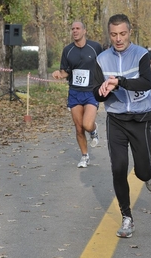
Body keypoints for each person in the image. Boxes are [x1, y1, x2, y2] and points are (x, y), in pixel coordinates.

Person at [92, 14, 151, 238]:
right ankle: (127, 217)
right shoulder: (101, 59)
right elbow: (95, 91)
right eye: (113, 34)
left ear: (129, 32)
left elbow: (146, 82)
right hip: (117, 120)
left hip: (141, 119)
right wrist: (102, 92)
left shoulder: (141, 54)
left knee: (141, 171)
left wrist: (119, 81)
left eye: (122, 34)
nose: (118, 39)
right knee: (119, 168)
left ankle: (148, 172)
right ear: (109, 34)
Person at [52, 21, 102, 168]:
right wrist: (59, 74)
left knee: (87, 124)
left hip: (91, 91)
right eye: (73, 29)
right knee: (79, 127)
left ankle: (93, 130)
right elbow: (66, 71)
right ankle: (84, 156)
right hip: (75, 92)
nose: (75, 31)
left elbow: (104, 64)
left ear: (84, 31)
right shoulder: (67, 50)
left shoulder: (95, 47)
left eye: (78, 28)